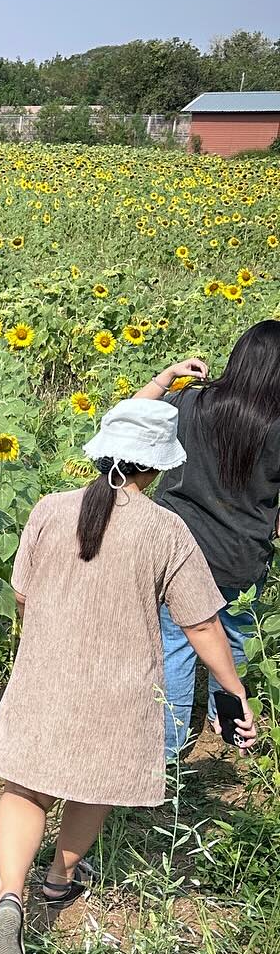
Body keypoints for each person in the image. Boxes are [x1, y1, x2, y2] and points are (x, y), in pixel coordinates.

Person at [0, 398, 257, 954]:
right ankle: (60, 881)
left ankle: (9, 898)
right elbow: (202, 624)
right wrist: (233, 690)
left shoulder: (51, 509)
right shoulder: (166, 530)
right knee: (94, 781)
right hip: (118, 684)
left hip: (44, 672)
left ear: (102, 451)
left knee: (26, 786)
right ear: (157, 466)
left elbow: (23, 593)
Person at [139, 322, 280, 758]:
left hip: (177, 548)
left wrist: (165, 378)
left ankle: (168, 749)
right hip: (241, 555)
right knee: (235, 639)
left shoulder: (190, 402)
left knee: (175, 646)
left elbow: (130, 417)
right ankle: (233, 726)